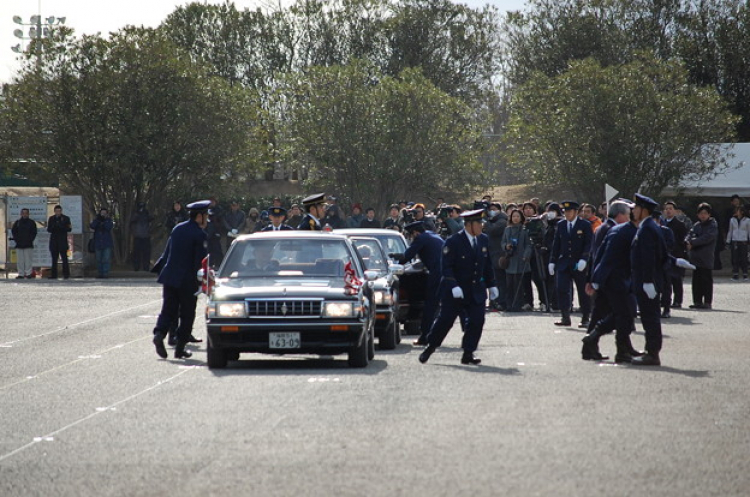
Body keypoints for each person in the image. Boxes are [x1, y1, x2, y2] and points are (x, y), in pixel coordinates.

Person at [418, 209, 499, 366]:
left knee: (477, 320)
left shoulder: (483, 240)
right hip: (455, 291)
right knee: (445, 321)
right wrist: (453, 285)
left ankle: (468, 353)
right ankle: (431, 346)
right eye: (478, 224)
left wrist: (492, 284)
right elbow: (446, 267)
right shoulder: (453, 241)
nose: (481, 227)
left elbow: (487, 264)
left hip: (475, 289)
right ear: (469, 225)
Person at [151, 200, 209, 360]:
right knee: (187, 314)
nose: (207, 219)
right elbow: (200, 262)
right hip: (187, 280)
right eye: (205, 216)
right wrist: (202, 282)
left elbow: (168, 253)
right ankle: (180, 348)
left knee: (168, 309)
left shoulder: (177, 229)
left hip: (170, 276)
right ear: (199, 216)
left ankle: (159, 334)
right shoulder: (199, 234)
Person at [582, 200, 639, 362]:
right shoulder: (609, 229)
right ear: (621, 215)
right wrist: (593, 280)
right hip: (609, 279)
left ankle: (594, 347)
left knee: (608, 314)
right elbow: (599, 256)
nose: (629, 218)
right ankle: (592, 345)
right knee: (621, 314)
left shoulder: (605, 227)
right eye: (628, 215)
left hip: (604, 278)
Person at [630, 194, 668, 366]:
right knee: (649, 317)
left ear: (643, 210)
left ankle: (652, 353)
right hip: (649, 280)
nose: (633, 211)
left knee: (650, 318)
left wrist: (647, 281)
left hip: (648, 281)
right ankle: (651, 351)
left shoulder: (647, 228)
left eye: (636, 208)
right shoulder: (649, 226)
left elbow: (649, 257)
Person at [397, 221, 445, 345]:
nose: (411, 238)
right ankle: (467, 328)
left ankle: (424, 336)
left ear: (415, 233)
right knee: (454, 303)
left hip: (436, 274)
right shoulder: (432, 235)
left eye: (411, 235)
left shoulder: (421, 239)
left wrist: (396, 263)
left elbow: (407, 256)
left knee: (430, 305)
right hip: (448, 271)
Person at [549, 201, 593, 327]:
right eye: (565, 211)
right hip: (564, 263)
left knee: (582, 291)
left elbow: (588, 243)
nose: (567, 214)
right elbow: (556, 244)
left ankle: (585, 318)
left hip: (579, 263)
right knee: (562, 289)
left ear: (576, 212)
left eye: (569, 211)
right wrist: (552, 261)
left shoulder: (584, 224)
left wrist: (584, 259)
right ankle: (565, 316)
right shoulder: (561, 224)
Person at [686, 203, 718, 309]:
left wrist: (693, 242)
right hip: (696, 257)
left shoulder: (712, 225)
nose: (703, 215)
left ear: (709, 214)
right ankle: (697, 301)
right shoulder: (696, 225)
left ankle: (707, 302)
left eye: (705, 213)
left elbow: (707, 238)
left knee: (706, 280)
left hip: (706, 256)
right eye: (701, 213)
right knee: (696, 281)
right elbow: (689, 235)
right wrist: (687, 241)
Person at [501, 209, 532, 312]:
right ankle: (509, 305)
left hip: (521, 260)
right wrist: (506, 246)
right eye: (514, 216)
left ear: (521, 218)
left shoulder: (524, 230)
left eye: (518, 216)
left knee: (519, 284)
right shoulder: (507, 230)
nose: (515, 218)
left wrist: (526, 255)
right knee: (509, 284)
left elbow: (528, 244)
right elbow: (503, 243)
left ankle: (518, 304)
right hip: (510, 259)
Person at [662, 201, 688, 308]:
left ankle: (678, 301)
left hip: (677, 254)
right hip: (665, 254)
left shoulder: (680, 224)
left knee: (676, 279)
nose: (668, 211)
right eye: (666, 208)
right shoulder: (662, 223)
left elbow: (683, 241)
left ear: (676, 211)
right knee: (665, 280)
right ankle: (665, 300)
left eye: (670, 208)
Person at [484, 202, 508, 311]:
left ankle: (501, 301)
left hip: (499, 254)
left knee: (500, 280)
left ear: (499, 210)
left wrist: (486, 221)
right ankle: (494, 301)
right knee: (493, 280)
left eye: (494, 209)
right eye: (490, 209)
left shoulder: (502, 220)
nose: (491, 211)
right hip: (492, 253)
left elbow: (492, 230)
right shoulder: (492, 221)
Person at [47, 204, 72, 279]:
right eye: (57, 211)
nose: (58, 212)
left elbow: (69, 228)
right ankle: (54, 275)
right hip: (54, 241)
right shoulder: (51, 218)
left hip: (63, 241)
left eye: (59, 211)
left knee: (64, 258)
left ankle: (66, 274)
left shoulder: (66, 218)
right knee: (54, 259)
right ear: (54, 211)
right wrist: (54, 226)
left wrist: (61, 226)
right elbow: (49, 229)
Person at [11, 208, 37, 279]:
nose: (25, 214)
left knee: (28, 260)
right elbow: (14, 232)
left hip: (28, 244)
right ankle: (21, 274)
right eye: (23, 213)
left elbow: (34, 233)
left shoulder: (32, 222)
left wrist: (30, 240)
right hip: (19, 244)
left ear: (28, 214)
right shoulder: (17, 222)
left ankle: (29, 274)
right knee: (20, 260)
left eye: (26, 213)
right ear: (21, 214)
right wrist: (17, 240)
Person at [726, 205, 750, 281]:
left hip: (743, 241)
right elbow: (730, 230)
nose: (736, 212)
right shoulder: (732, 220)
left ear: (742, 212)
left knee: (744, 258)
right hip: (735, 240)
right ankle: (735, 274)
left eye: (738, 211)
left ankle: (745, 274)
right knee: (735, 258)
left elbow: (749, 231)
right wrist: (728, 241)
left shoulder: (747, 220)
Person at [90, 207, 114, 279]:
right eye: (102, 213)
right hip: (98, 242)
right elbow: (92, 226)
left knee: (106, 259)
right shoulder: (97, 220)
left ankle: (105, 273)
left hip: (106, 243)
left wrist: (104, 222)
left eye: (104, 213)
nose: (103, 214)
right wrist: (98, 220)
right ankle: (100, 273)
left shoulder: (109, 220)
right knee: (98, 259)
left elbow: (108, 227)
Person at [130, 202, 153, 271]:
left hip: (146, 236)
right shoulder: (135, 214)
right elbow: (132, 221)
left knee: (146, 253)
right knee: (136, 253)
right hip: (137, 236)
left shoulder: (147, 213)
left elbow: (151, 218)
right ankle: (136, 267)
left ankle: (146, 267)